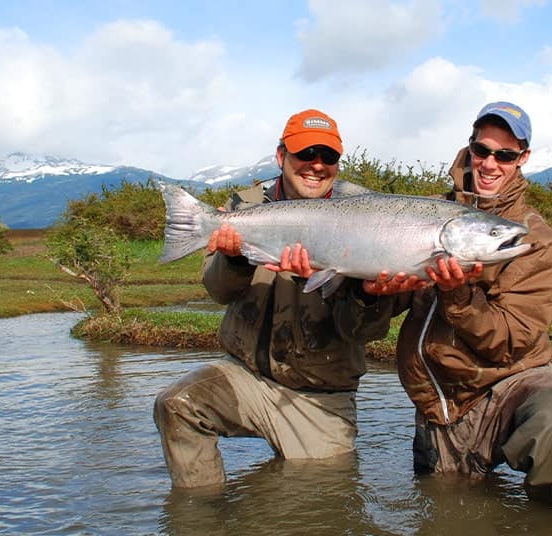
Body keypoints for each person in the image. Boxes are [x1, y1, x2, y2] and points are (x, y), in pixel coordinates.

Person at [153, 108, 403, 489]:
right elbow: (219, 291)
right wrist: (235, 257)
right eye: (306, 153)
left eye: (328, 156)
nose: (316, 164)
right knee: (176, 405)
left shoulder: (368, 217)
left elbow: (363, 332)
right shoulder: (244, 207)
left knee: (322, 502)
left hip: (320, 397)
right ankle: (203, 512)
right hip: (245, 376)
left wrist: (366, 295)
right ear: (281, 156)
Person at [373, 102, 552, 510]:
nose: (490, 163)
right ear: (471, 147)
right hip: (442, 402)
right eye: (482, 150)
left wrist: (458, 294)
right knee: (444, 509)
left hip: (517, 384)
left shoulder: (534, 241)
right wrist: (374, 291)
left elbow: (510, 341)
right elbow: (379, 315)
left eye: (505, 155)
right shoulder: (423, 214)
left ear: (523, 158)